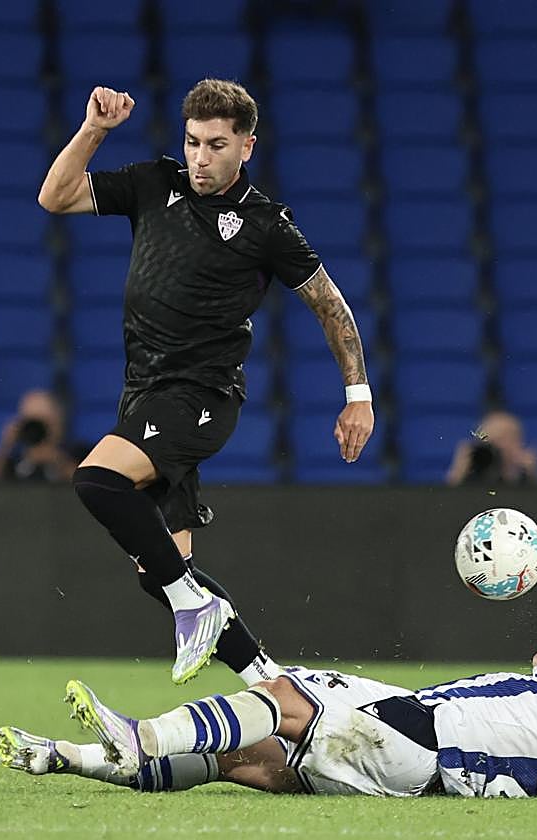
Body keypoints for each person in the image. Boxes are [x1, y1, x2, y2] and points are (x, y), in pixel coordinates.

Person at [36, 80, 374, 688]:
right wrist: (95, 131)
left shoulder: (267, 224)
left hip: (199, 397)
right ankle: (272, 680)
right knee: (164, 567)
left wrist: (358, 396)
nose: (200, 156)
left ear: (247, 145)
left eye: (216, 144)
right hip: (143, 390)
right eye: (192, 142)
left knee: (97, 480)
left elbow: (331, 306)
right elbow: (55, 198)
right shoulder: (153, 184)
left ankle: (197, 608)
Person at [0, 603, 537, 803]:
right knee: (247, 759)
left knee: (285, 695)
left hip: (420, 736)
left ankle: (140, 735)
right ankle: (65, 757)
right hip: (415, 774)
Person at [0, 389, 88, 483]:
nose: (37, 429)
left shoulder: (78, 453)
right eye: (32, 422)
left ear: (57, 421)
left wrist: (58, 459)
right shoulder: (13, 461)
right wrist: (5, 446)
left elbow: (86, 488)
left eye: (43, 421)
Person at [445, 410, 537, 486]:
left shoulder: (523, 475)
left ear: (518, 442)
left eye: (503, 438)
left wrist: (531, 474)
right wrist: (459, 470)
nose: (497, 446)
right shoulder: (472, 471)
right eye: (491, 440)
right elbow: (448, 501)